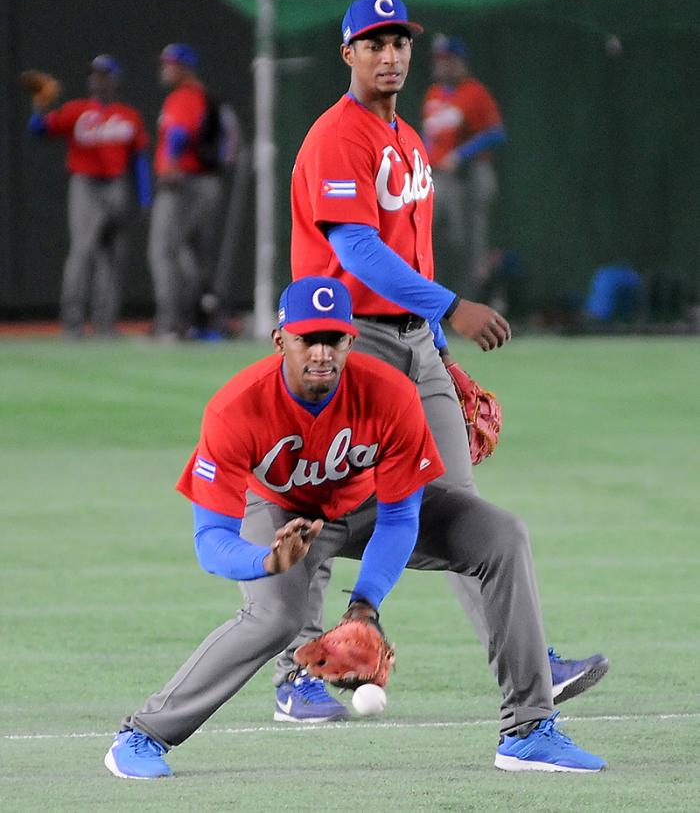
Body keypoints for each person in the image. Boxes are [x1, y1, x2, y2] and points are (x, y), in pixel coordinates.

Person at [104, 276, 606, 778]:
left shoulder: (390, 394)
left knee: (501, 536)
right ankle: (143, 734)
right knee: (275, 617)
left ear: (352, 339)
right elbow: (209, 541)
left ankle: (527, 730)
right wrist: (265, 560)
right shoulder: (236, 409)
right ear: (281, 341)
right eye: (307, 338)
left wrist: (364, 606)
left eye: (334, 338)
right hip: (281, 516)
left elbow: (401, 515)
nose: (321, 352)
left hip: (366, 506)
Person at [279, 0, 609, 731]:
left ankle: (529, 666)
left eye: (399, 41)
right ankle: (294, 670)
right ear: (348, 54)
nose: (391, 53)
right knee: (326, 498)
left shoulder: (407, 136)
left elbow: (409, 249)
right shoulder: (338, 136)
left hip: (415, 341)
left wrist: (438, 343)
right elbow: (357, 250)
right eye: (374, 42)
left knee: (463, 511)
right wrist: (453, 303)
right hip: (348, 340)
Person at [27, 55, 151, 338]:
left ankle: (105, 323)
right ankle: (72, 323)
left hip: (117, 186)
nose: (98, 79)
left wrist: (144, 197)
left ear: (115, 79)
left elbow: (138, 159)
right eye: (95, 74)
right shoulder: (77, 111)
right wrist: (39, 104)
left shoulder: (128, 115)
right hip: (86, 186)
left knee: (113, 257)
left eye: (104, 74)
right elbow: (38, 129)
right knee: (82, 253)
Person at [148, 43, 225, 340]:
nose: (164, 68)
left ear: (183, 67)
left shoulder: (184, 95)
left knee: (166, 250)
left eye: (169, 64)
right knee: (188, 252)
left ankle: (173, 321)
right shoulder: (201, 95)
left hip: (185, 182)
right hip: (202, 182)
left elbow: (180, 132)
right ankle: (196, 318)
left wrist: (170, 159)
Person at [422, 34, 506, 299]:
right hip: (438, 177)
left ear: (460, 62)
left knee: (468, 241)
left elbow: (496, 133)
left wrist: (462, 154)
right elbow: (430, 138)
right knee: (429, 233)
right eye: (439, 60)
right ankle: (432, 298)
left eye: (447, 60)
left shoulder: (475, 92)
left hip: (471, 175)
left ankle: (473, 299)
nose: (441, 65)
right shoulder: (434, 94)